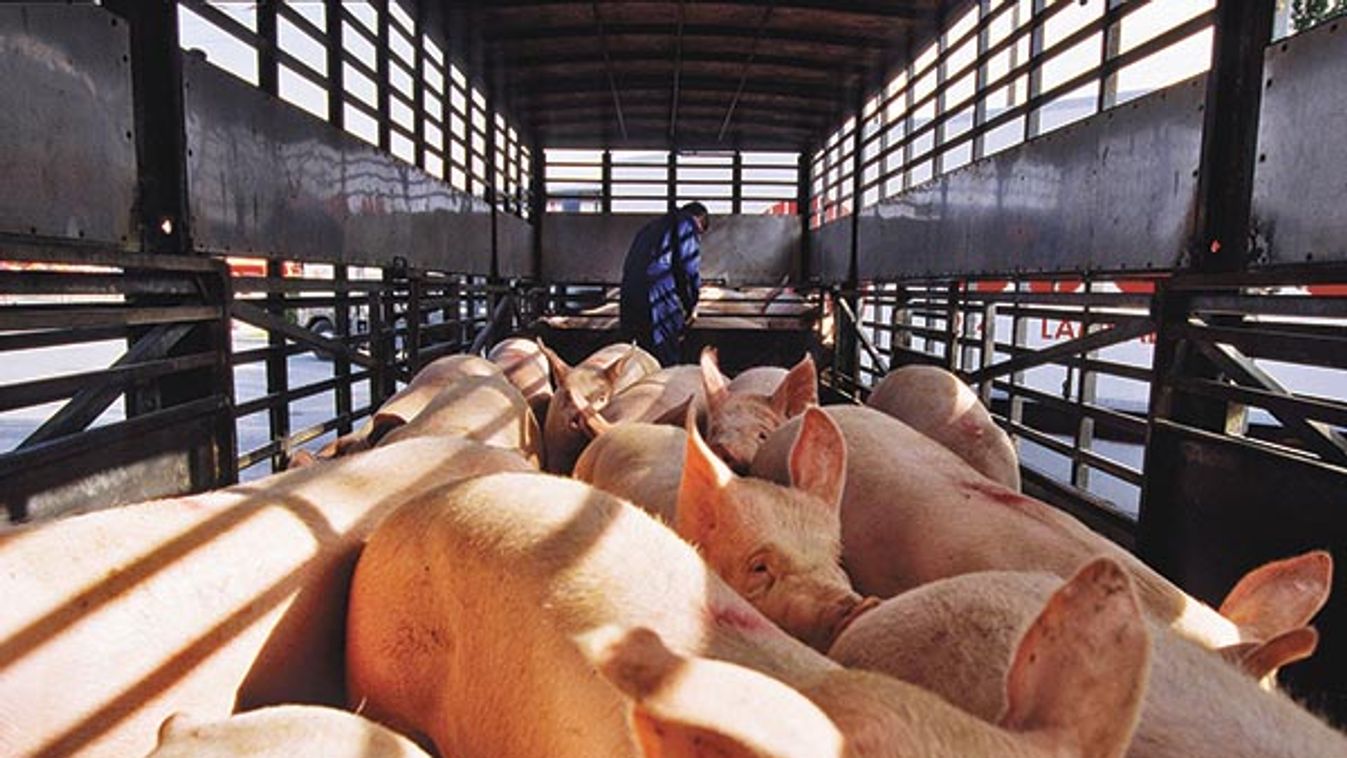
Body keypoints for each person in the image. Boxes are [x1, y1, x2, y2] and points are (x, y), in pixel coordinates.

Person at [619, 202, 709, 366]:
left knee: (637, 351)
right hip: (657, 289)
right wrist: (692, 304)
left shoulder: (651, 226)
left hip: (629, 288)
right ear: (700, 220)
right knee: (664, 348)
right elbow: (688, 267)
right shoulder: (687, 224)